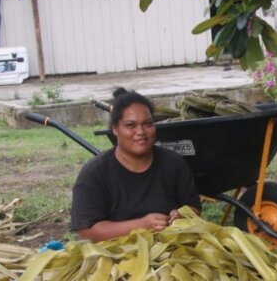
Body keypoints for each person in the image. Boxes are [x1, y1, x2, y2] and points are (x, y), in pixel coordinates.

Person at [71, 89, 201, 241]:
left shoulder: (173, 163)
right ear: (115, 128)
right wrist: (141, 225)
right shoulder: (95, 173)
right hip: (116, 255)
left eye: (147, 124)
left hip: (170, 249)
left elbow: (194, 208)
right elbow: (86, 231)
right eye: (130, 125)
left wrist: (182, 215)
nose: (141, 132)